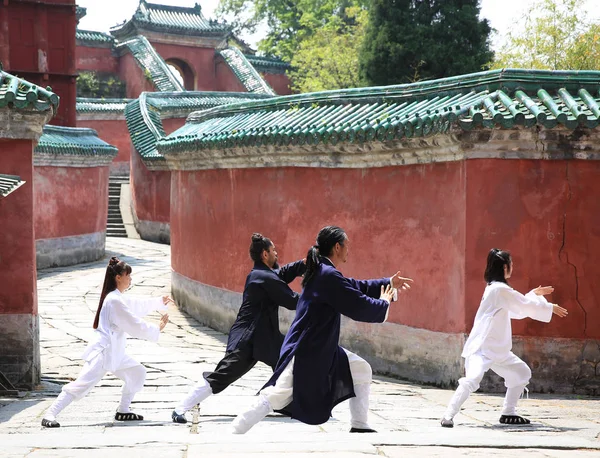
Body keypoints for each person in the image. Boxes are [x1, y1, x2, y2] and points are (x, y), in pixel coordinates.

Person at [230, 225, 413, 434]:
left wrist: (389, 282)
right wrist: (383, 302)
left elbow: (353, 285)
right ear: (337, 247)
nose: (348, 250)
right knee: (277, 395)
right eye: (347, 245)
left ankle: (360, 425)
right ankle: (235, 431)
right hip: (306, 348)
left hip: (320, 345)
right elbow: (357, 303)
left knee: (362, 370)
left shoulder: (324, 271)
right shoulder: (327, 275)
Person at [171, 233, 306, 424]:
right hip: (248, 339)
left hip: (265, 337)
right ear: (265, 254)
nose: (277, 253)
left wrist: (303, 264)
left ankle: (285, 404)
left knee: (290, 362)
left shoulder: (262, 274)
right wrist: (318, 296)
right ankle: (180, 408)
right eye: (273, 250)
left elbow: (281, 275)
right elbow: (293, 300)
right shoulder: (263, 277)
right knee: (223, 375)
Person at [440, 248, 568, 428]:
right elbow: (521, 305)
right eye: (511, 264)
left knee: (522, 372)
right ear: (504, 267)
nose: (513, 267)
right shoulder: (499, 290)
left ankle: (508, 412)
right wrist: (549, 307)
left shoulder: (496, 288)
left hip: (498, 349)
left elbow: (516, 306)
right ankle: (448, 415)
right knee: (473, 379)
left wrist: (533, 294)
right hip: (483, 348)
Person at [41, 256, 172, 427]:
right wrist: (157, 328)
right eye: (128, 276)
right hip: (103, 352)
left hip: (115, 352)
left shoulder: (117, 298)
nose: (130, 279)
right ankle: (50, 414)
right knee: (82, 384)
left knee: (137, 372)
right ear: (118, 277)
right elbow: (132, 322)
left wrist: (157, 302)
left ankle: (123, 411)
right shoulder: (114, 300)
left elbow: (135, 304)